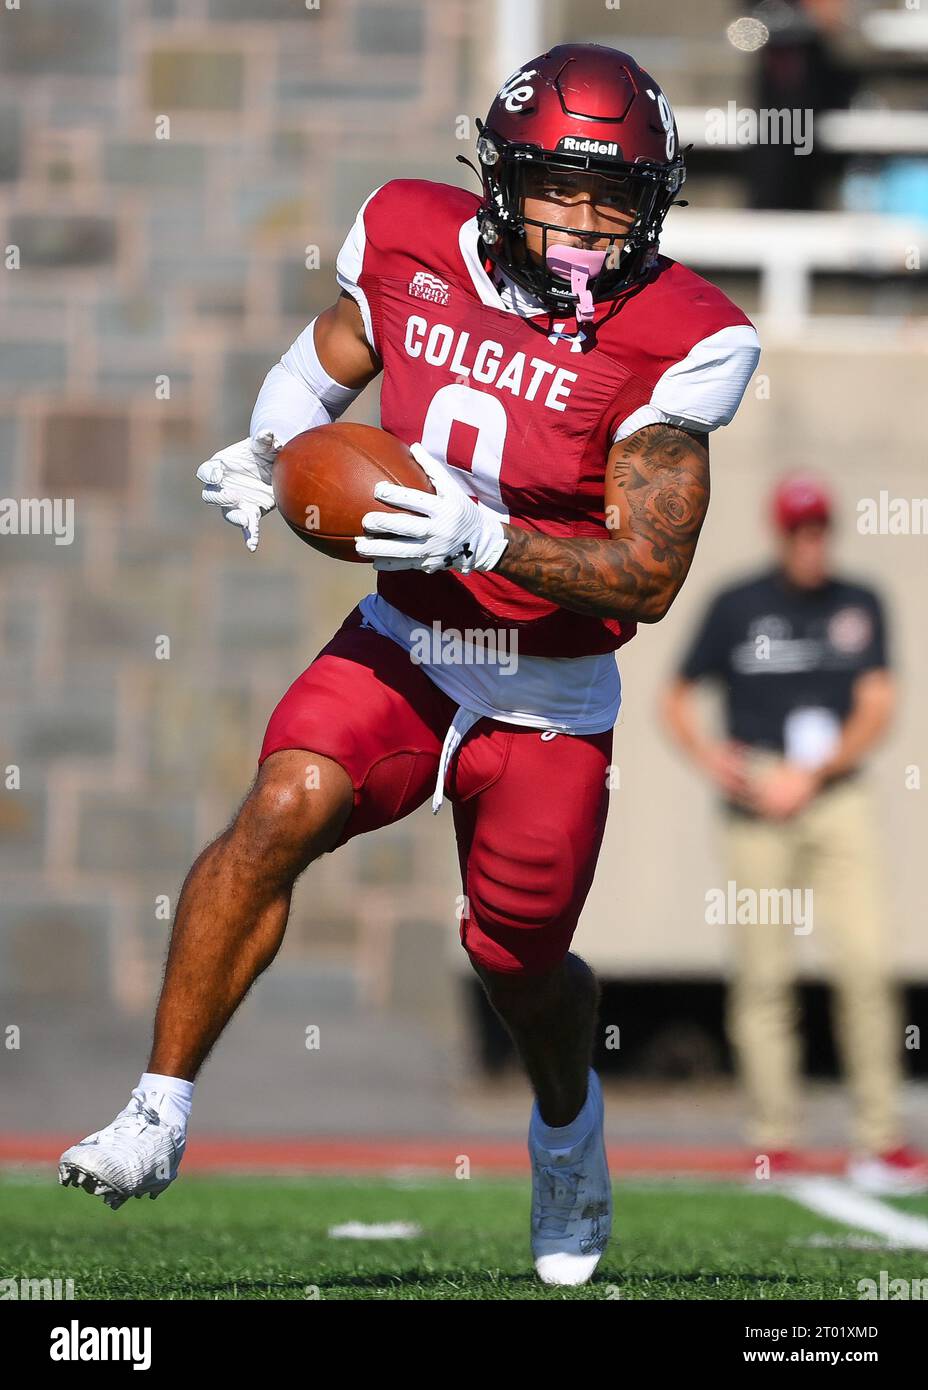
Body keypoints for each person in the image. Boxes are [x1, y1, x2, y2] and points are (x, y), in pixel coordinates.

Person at [58, 44, 760, 1285]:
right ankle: (157, 1107)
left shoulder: (680, 336)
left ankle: (566, 1126)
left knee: (518, 963)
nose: (591, 225)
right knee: (281, 804)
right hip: (409, 644)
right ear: (499, 178)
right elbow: (324, 357)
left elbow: (648, 575)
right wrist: (273, 448)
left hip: (546, 692)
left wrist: (483, 530)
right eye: (560, 188)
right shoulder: (405, 237)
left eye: (619, 198)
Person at [662, 475, 927, 1192]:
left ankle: (879, 1138)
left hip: (835, 792)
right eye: (798, 531)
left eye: (820, 530)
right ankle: (772, 1139)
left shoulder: (858, 602)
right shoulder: (738, 604)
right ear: (779, 534)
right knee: (763, 972)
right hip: (756, 795)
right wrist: (714, 760)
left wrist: (812, 774)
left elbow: (878, 703)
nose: (811, 544)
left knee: (867, 963)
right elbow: (676, 696)